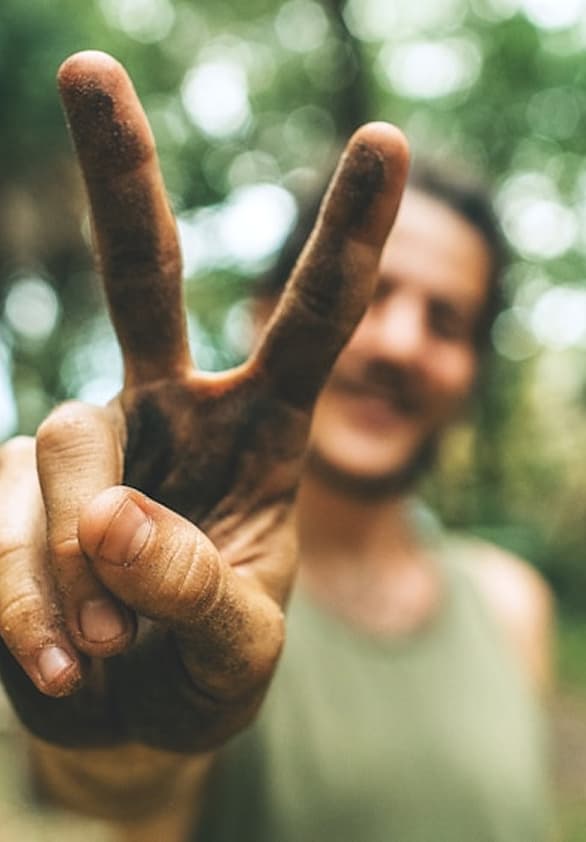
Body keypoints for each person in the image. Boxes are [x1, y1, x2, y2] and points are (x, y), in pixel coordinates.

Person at [0, 49, 554, 841]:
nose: (401, 343)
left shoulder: (512, 606)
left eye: (447, 321)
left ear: (469, 376)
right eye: (375, 296)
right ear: (271, 316)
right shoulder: (183, 599)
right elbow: (116, 799)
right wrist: (117, 709)